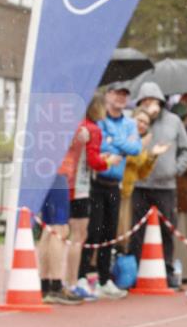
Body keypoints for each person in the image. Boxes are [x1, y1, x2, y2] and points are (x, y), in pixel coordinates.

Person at [77, 82, 141, 299]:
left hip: (116, 184)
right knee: (92, 231)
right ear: (108, 95)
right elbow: (100, 146)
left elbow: (135, 148)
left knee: (110, 233)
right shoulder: (99, 119)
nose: (121, 98)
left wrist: (114, 139)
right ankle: (82, 276)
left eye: (125, 95)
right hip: (96, 182)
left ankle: (105, 279)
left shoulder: (130, 123)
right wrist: (118, 144)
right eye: (117, 93)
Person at [130, 81, 187, 289]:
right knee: (137, 230)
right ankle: (137, 270)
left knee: (167, 229)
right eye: (145, 101)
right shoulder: (136, 121)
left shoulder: (174, 121)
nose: (149, 105)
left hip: (166, 185)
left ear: (161, 101)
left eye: (153, 101)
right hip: (140, 184)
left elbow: (186, 148)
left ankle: (166, 270)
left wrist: (177, 168)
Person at [62, 92, 122, 299]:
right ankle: (73, 282)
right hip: (79, 186)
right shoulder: (93, 129)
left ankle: (65, 280)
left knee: (64, 234)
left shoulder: (76, 125)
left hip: (65, 182)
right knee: (78, 236)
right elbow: (94, 161)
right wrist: (109, 161)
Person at [118, 109, 170, 250]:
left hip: (128, 192)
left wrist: (152, 155)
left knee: (124, 234)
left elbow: (141, 173)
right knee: (110, 231)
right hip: (113, 189)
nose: (142, 125)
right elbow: (124, 159)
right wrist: (139, 146)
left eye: (146, 123)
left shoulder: (141, 144)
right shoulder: (123, 136)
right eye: (139, 120)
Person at [38, 172, 83, 306]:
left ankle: (45, 286)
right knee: (59, 228)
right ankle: (55, 286)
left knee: (49, 228)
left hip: (44, 173)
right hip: (58, 171)